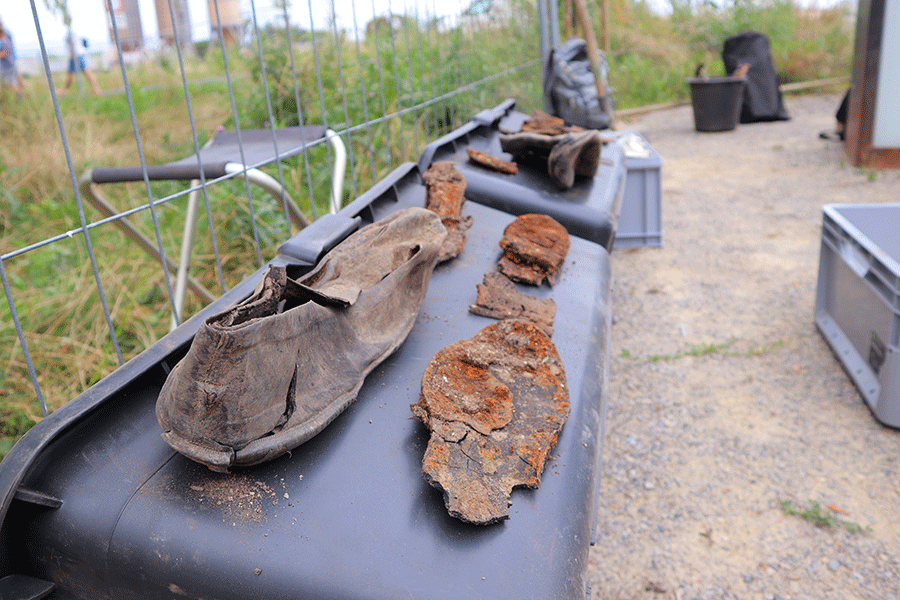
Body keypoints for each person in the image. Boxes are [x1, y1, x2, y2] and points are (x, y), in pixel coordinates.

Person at [64, 16, 100, 95]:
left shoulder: (72, 32)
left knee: (86, 71)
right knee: (70, 74)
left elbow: (75, 45)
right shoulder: (70, 32)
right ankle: (65, 90)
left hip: (77, 55)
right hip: (73, 56)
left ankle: (96, 88)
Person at [0, 16, 25, 96]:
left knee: (7, 80)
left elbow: (5, 51)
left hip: (8, 64)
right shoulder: (6, 34)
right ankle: (24, 92)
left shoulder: (4, 37)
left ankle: (19, 93)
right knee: (15, 76)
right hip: (11, 61)